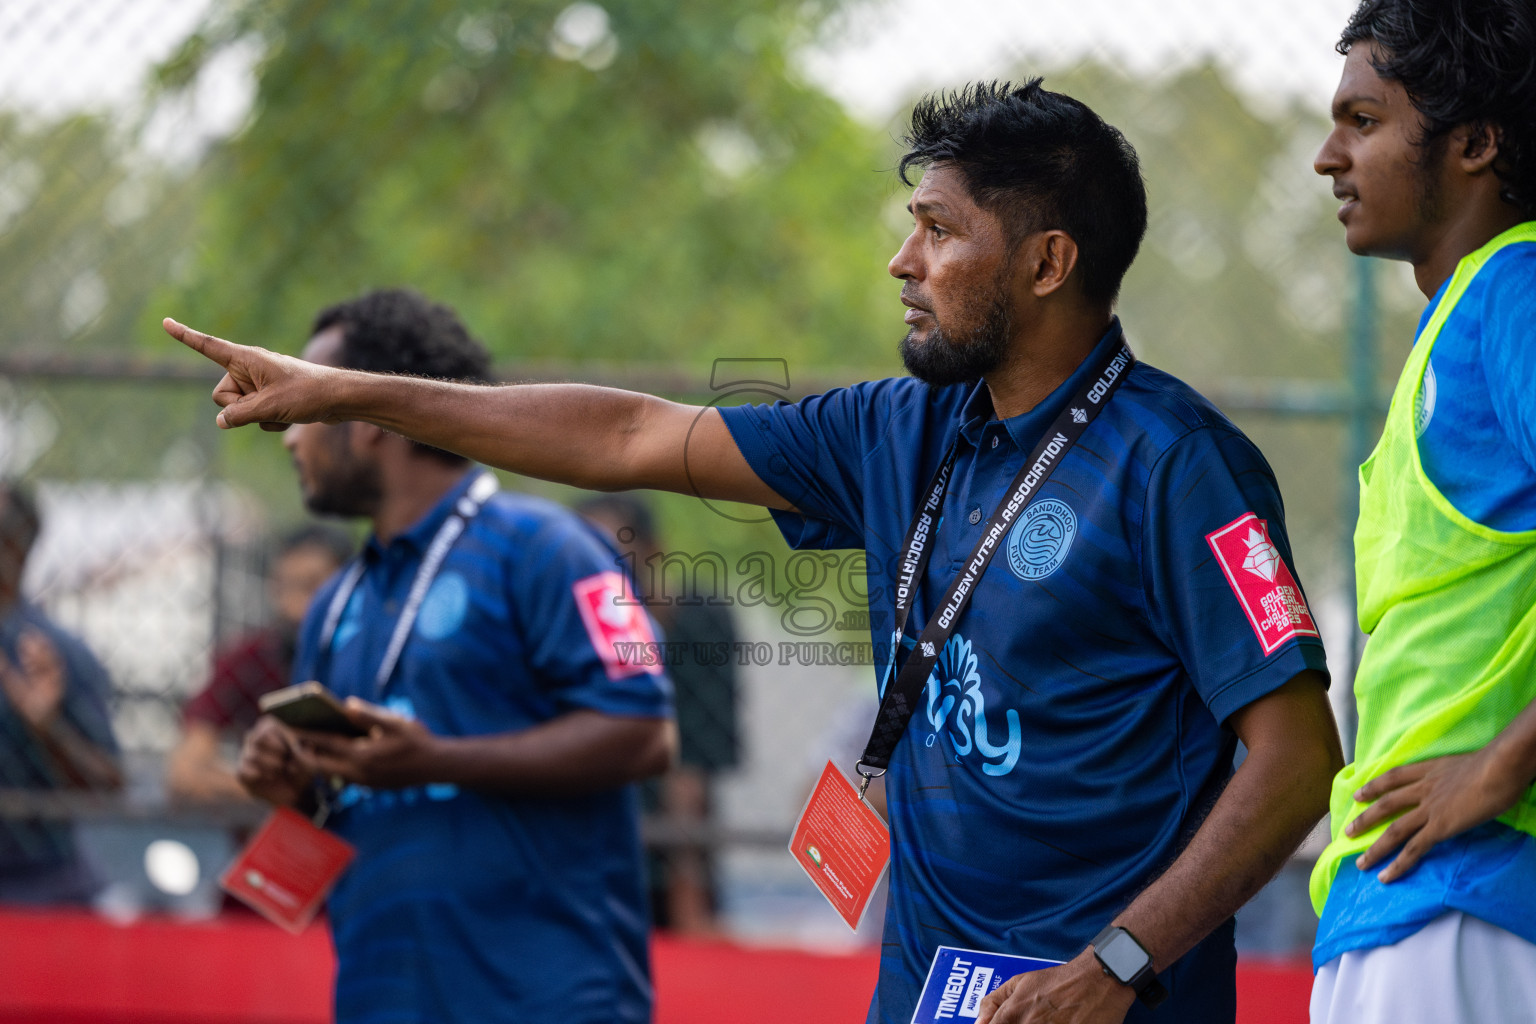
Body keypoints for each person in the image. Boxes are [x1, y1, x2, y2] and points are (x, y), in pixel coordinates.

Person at [168, 82, 1344, 1024]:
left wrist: (1118, 961)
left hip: (1102, 1000)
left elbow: (1297, 760)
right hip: (925, 992)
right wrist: (349, 390)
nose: (903, 260)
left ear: (1046, 263)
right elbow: (631, 434)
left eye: (939, 229)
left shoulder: (1179, 464)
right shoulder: (898, 429)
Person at [231, 289, 676, 1024]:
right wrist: (293, 785)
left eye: (305, 410)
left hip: (550, 1002)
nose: (289, 439)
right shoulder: (335, 602)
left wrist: (436, 760)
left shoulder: (553, 548)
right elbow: (345, 802)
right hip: (382, 1000)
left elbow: (645, 733)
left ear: (367, 419)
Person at [1307, 3, 1536, 1021]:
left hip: (1470, 898)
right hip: (1400, 898)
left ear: (1476, 142)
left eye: (1363, 121)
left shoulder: (1516, 290)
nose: (1328, 157)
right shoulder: (1462, 312)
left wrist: (1498, 766)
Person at [576, 492, 741, 935]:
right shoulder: (567, 625)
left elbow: (690, 770)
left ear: (653, 553)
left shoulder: (693, 621)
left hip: (662, 861)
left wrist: (688, 894)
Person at [0, 481, 122, 904]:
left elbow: (109, 782)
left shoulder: (54, 652)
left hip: (40, 883)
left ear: (17, 547)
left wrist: (47, 728)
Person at [166, 525, 351, 802]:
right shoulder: (250, 659)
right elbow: (187, 771)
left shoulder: (368, 659)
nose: (293, 605)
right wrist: (276, 792)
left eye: (313, 588)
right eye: (283, 587)